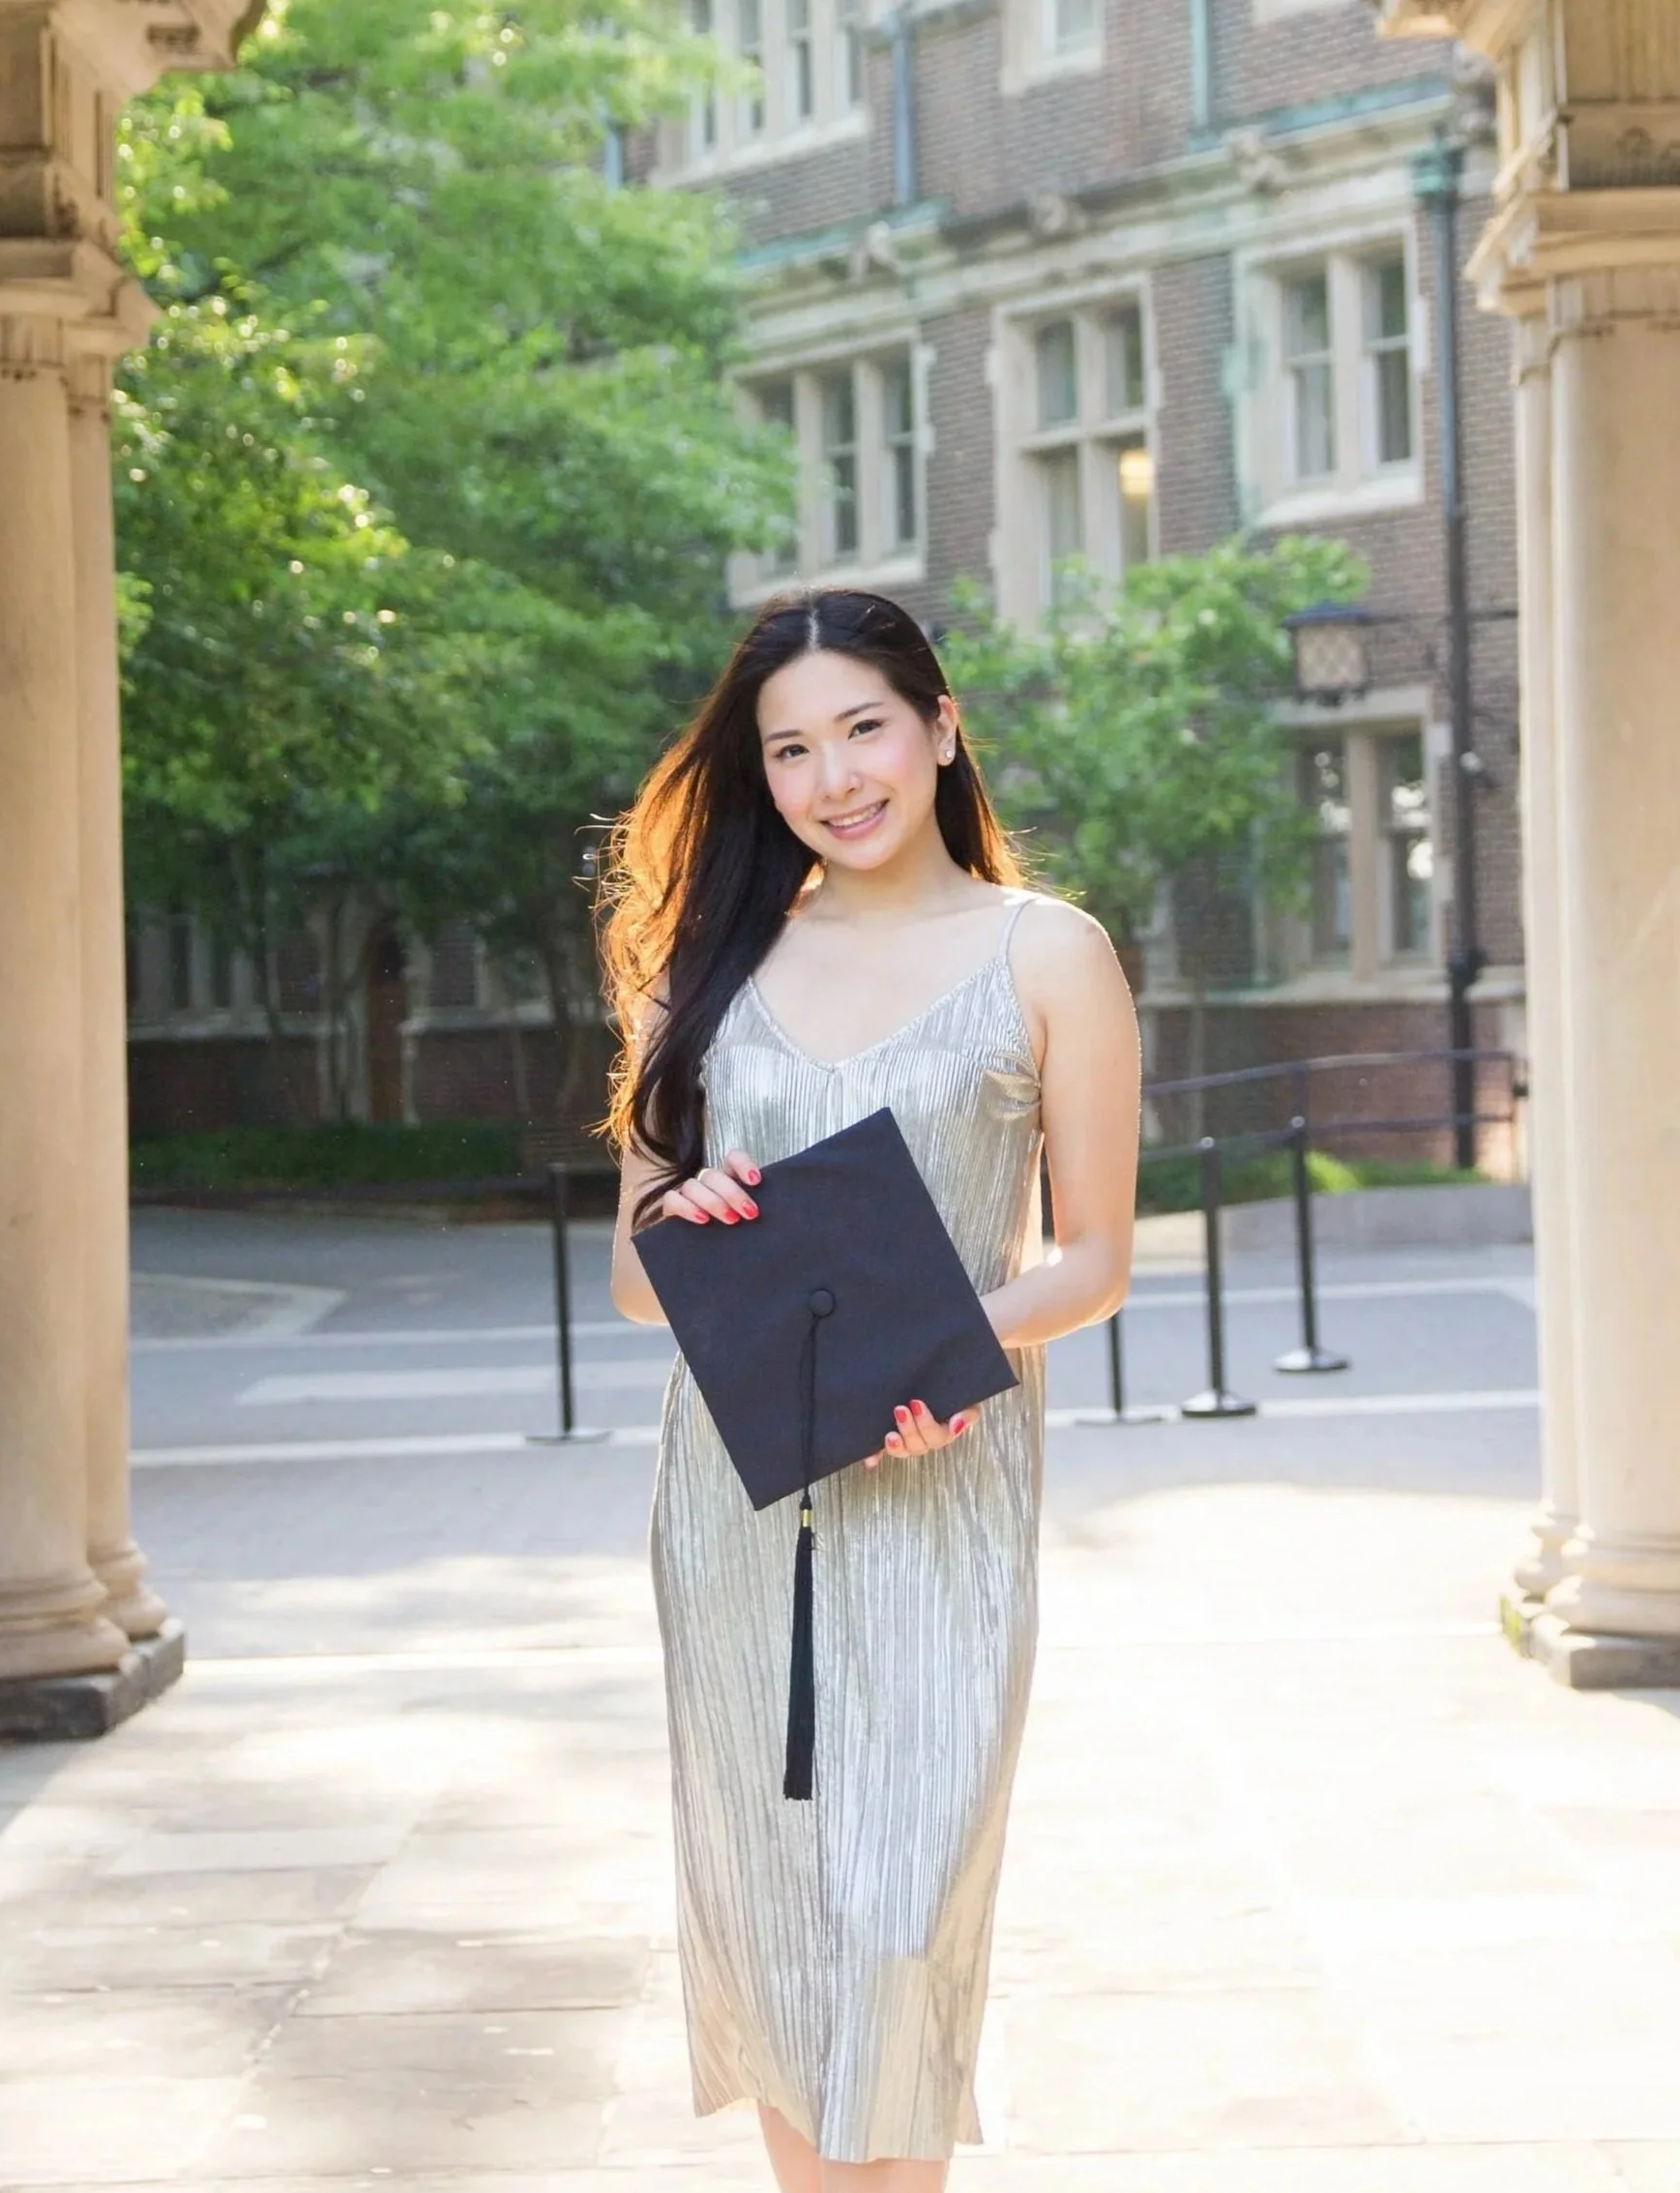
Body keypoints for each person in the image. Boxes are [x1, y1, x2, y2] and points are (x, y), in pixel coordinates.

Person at [601, 588, 1141, 2192]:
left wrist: (948, 1351)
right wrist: (677, 1218)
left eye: (863, 729)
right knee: (776, 1914)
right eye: (790, 749)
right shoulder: (701, 972)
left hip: (942, 1475)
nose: (835, 776)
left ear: (938, 728)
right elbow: (636, 1275)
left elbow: (1095, 1254)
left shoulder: (1048, 954)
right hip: (735, 1504)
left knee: (902, 1923)